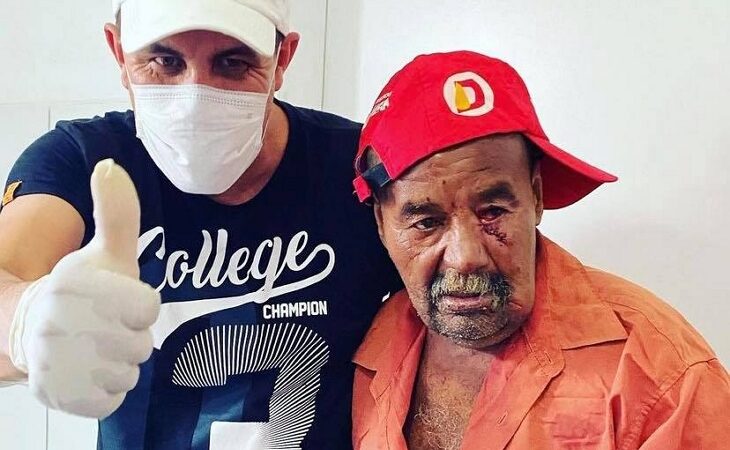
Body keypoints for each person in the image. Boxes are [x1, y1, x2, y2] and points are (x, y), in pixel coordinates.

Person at [0, 0, 401, 449]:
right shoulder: (79, 158)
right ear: (119, 52)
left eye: (233, 63)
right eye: (164, 61)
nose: (194, 100)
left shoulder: (360, 167)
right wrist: (26, 320)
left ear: (282, 59)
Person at [351, 50, 730, 450]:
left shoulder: (660, 372)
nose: (466, 257)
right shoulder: (368, 342)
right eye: (427, 223)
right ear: (382, 224)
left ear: (535, 196)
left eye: (492, 211)